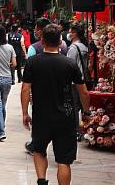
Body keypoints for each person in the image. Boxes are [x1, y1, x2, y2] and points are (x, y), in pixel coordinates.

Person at [21, 24, 90, 185]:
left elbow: (25, 89)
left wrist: (25, 113)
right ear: (60, 42)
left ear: (42, 40)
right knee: (63, 161)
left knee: (39, 150)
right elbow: (84, 92)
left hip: (41, 116)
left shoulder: (33, 62)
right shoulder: (69, 64)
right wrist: (86, 112)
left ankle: (42, 180)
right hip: (65, 117)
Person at [66, 22, 90, 123]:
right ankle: (84, 126)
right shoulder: (84, 46)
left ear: (75, 34)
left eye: (70, 32)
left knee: (74, 106)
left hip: (74, 81)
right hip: (83, 79)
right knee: (82, 105)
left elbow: (69, 65)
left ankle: (76, 130)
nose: (68, 34)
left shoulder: (73, 48)